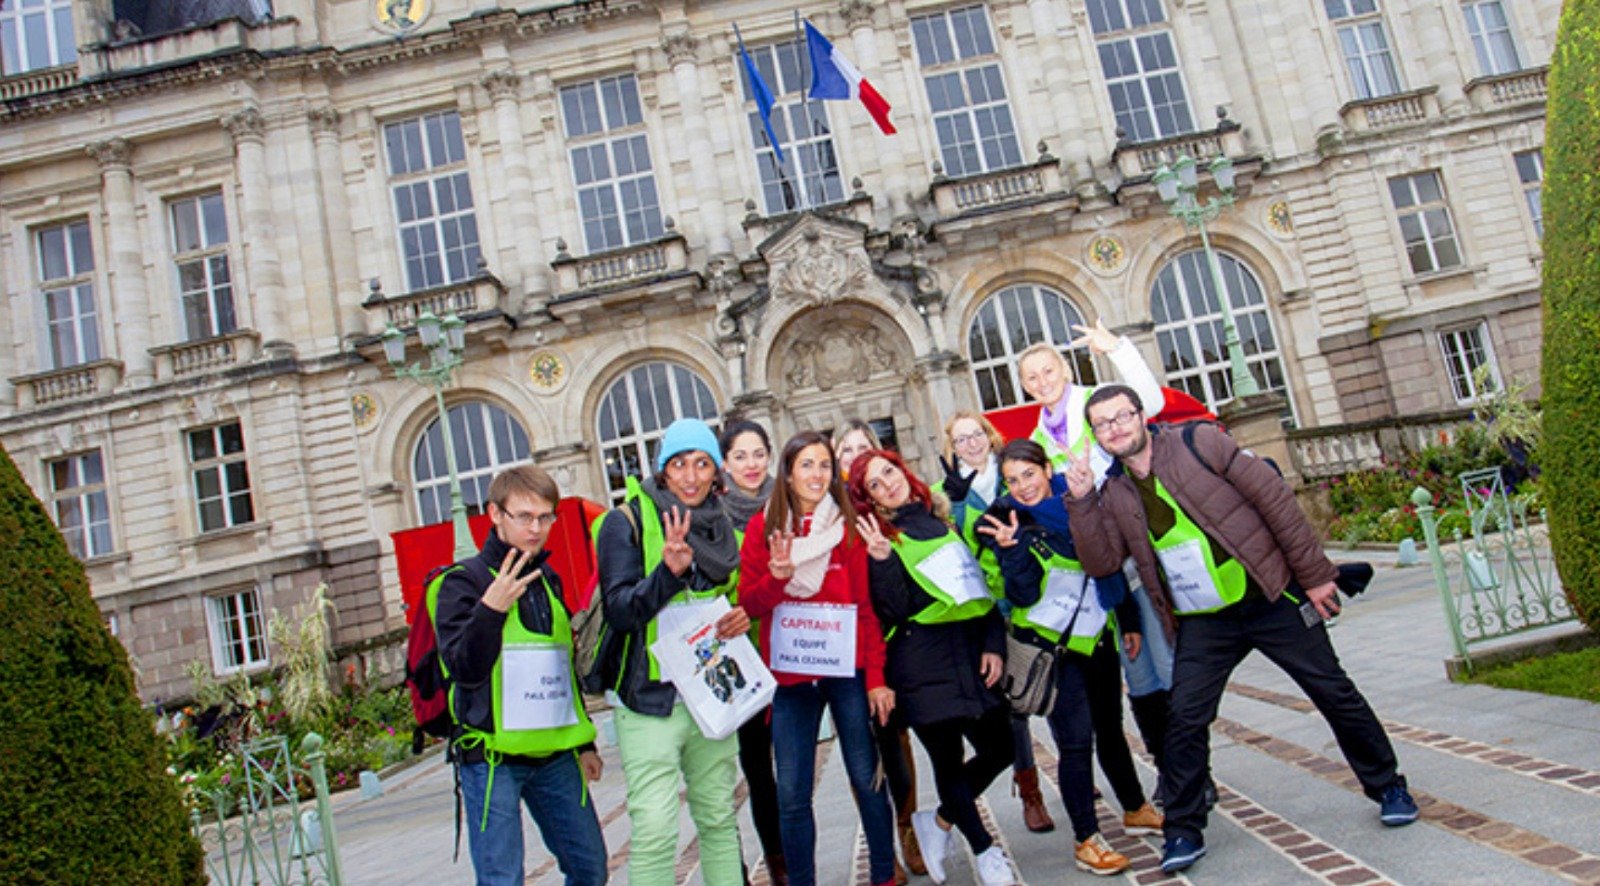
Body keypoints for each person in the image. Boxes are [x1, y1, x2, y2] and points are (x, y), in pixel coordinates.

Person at [1066, 385, 1419, 874]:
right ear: (1096, 435)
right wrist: (1080, 500)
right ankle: (1184, 830)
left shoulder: (1199, 443)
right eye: (1102, 424)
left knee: (1332, 691)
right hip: (1205, 620)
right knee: (1184, 718)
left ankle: (1388, 786)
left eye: (1121, 416)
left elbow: (1273, 500)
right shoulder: (1114, 493)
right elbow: (1102, 561)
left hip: (1270, 595)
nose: (1115, 428)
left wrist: (1315, 576)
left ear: (1140, 415)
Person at [979, 440, 1164, 876]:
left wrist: (1129, 620)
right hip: (1052, 650)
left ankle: (1135, 807)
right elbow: (1020, 593)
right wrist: (1011, 549)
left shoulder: (1079, 502)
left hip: (1095, 636)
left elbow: (1109, 564)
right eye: (1012, 480)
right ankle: (1086, 838)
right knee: (1076, 742)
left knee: (1111, 728)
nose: (1023, 487)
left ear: (1047, 469)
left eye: (1029, 474)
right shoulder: (1009, 521)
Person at [430, 465, 607, 886]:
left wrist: (585, 743)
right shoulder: (461, 583)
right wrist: (490, 610)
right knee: (502, 878)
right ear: (495, 513)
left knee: (590, 868)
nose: (536, 528)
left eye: (545, 517)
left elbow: (558, 664)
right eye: (524, 517)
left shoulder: (548, 579)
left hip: (554, 753)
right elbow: (462, 668)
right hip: (492, 758)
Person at [850, 449, 1018, 886]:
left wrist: (994, 645)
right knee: (948, 760)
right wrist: (883, 559)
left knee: (1001, 748)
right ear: (871, 500)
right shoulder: (880, 539)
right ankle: (985, 852)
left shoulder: (942, 522)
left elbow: (976, 587)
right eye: (874, 484)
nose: (887, 483)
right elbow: (894, 609)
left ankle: (939, 820)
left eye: (888, 471)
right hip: (920, 663)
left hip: (969, 654)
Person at [1016, 324, 1174, 785]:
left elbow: (1153, 403)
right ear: (1024, 386)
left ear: (1064, 369)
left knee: (1166, 664)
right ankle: (1168, 771)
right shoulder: (1037, 441)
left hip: (1137, 551)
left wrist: (1117, 349)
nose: (1042, 381)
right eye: (1032, 377)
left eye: (1049, 370)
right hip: (1099, 569)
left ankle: (1190, 773)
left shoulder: (1094, 404)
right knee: (1138, 677)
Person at [596, 418, 751, 886]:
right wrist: (667, 572)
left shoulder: (723, 527)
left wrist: (741, 617)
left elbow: (730, 598)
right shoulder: (623, 523)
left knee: (720, 818)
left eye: (702, 464)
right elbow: (620, 612)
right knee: (657, 829)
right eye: (679, 464)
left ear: (716, 473)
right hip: (650, 701)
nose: (690, 476)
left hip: (710, 693)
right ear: (662, 471)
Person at [738, 431, 897, 886]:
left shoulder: (846, 527)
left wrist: (876, 678)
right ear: (788, 473)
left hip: (845, 673)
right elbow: (750, 603)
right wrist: (776, 577)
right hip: (790, 680)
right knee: (790, 793)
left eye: (824, 465)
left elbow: (865, 609)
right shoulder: (763, 529)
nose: (816, 474)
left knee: (867, 778)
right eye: (806, 465)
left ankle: (885, 875)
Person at [934, 412, 1054, 834]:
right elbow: (955, 555)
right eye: (960, 438)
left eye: (976, 435)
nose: (970, 444)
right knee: (1014, 707)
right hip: (989, 609)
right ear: (951, 445)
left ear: (990, 436)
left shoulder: (1012, 475)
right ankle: (1031, 792)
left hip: (1034, 594)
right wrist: (958, 503)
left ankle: (1077, 771)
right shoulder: (944, 492)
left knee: (1054, 686)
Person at [833, 420, 925, 880]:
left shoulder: (890, 507)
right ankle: (881, 842)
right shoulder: (831, 513)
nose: (853, 455)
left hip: (891, 646)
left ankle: (909, 828)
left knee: (896, 742)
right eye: (845, 450)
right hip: (845, 650)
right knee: (860, 751)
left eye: (861, 447)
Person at [718, 419, 787, 885]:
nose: (750, 464)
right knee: (754, 769)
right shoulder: (714, 515)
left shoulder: (787, 505)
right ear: (725, 463)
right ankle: (763, 865)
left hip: (789, 649)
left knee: (793, 768)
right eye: (740, 456)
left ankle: (788, 859)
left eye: (758, 454)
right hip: (740, 659)